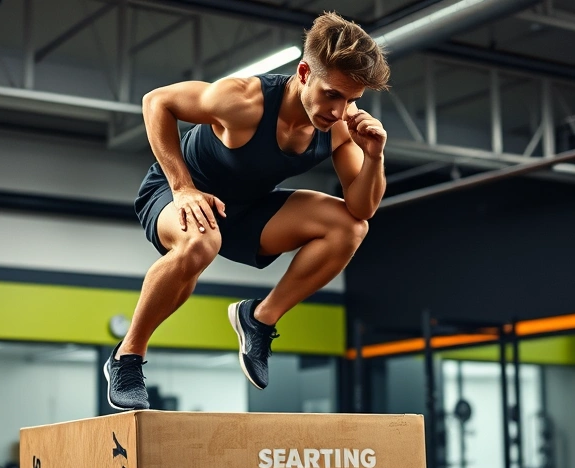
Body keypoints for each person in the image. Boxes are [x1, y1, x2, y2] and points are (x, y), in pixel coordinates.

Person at [104, 12, 390, 410]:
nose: (339, 111)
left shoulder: (340, 128)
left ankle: (259, 318)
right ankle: (126, 357)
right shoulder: (243, 99)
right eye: (331, 94)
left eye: (351, 100)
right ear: (304, 72)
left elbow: (362, 207)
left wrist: (374, 155)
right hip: (176, 194)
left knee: (350, 228)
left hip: (246, 209)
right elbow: (157, 102)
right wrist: (183, 187)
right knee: (201, 243)